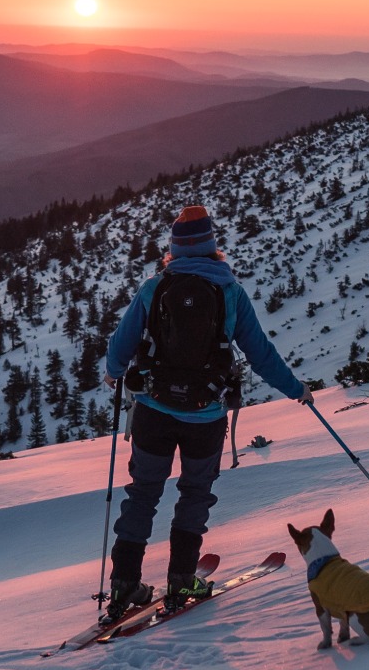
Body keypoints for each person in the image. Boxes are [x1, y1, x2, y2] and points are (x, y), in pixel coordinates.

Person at [100, 205, 309, 622]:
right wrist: (296, 390)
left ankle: (125, 584)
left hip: (153, 412)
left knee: (143, 493)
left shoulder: (154, 287)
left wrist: (113, 373)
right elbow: (259, 353)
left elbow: (120, 345)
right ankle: (182, 579)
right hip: (205, 414)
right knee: (194, 493)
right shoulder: (229, 291)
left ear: (174, 248)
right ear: (213, 246)